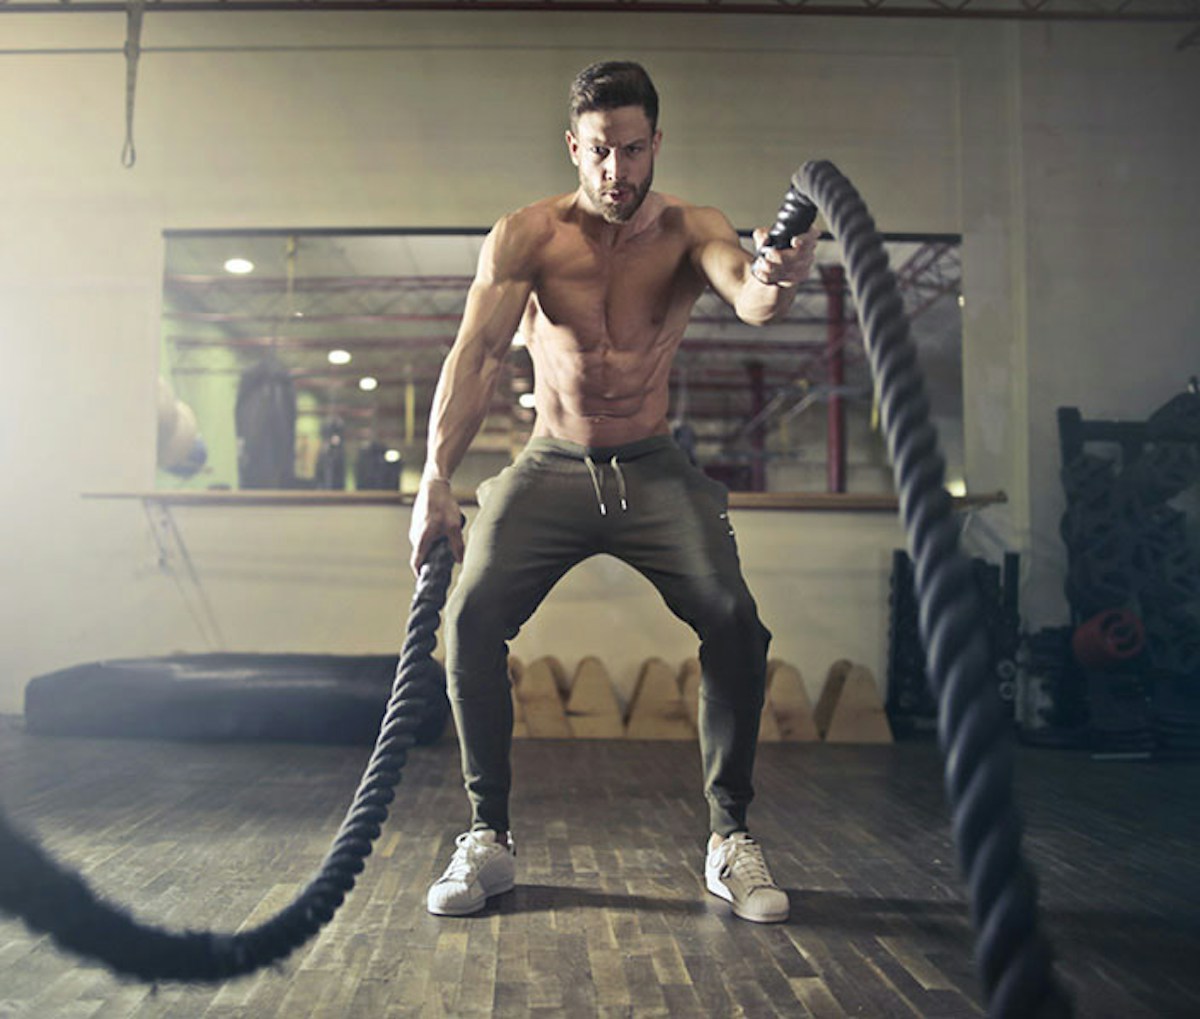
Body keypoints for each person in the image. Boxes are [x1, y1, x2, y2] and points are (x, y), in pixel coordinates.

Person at [409, 61, 818, 924]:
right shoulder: (527, 236)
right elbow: (478, 354)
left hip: (654, 467)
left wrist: (780, 275)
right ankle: (488, 836)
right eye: (600, 151)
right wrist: (436, 479)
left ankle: (729, 839)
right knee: (471, 620)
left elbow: (749, 295)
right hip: (551, 463)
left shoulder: (688, 229)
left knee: (736, 622)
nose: (616, 171)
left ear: (656, 144)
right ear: (574, 146)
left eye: (633, 150)